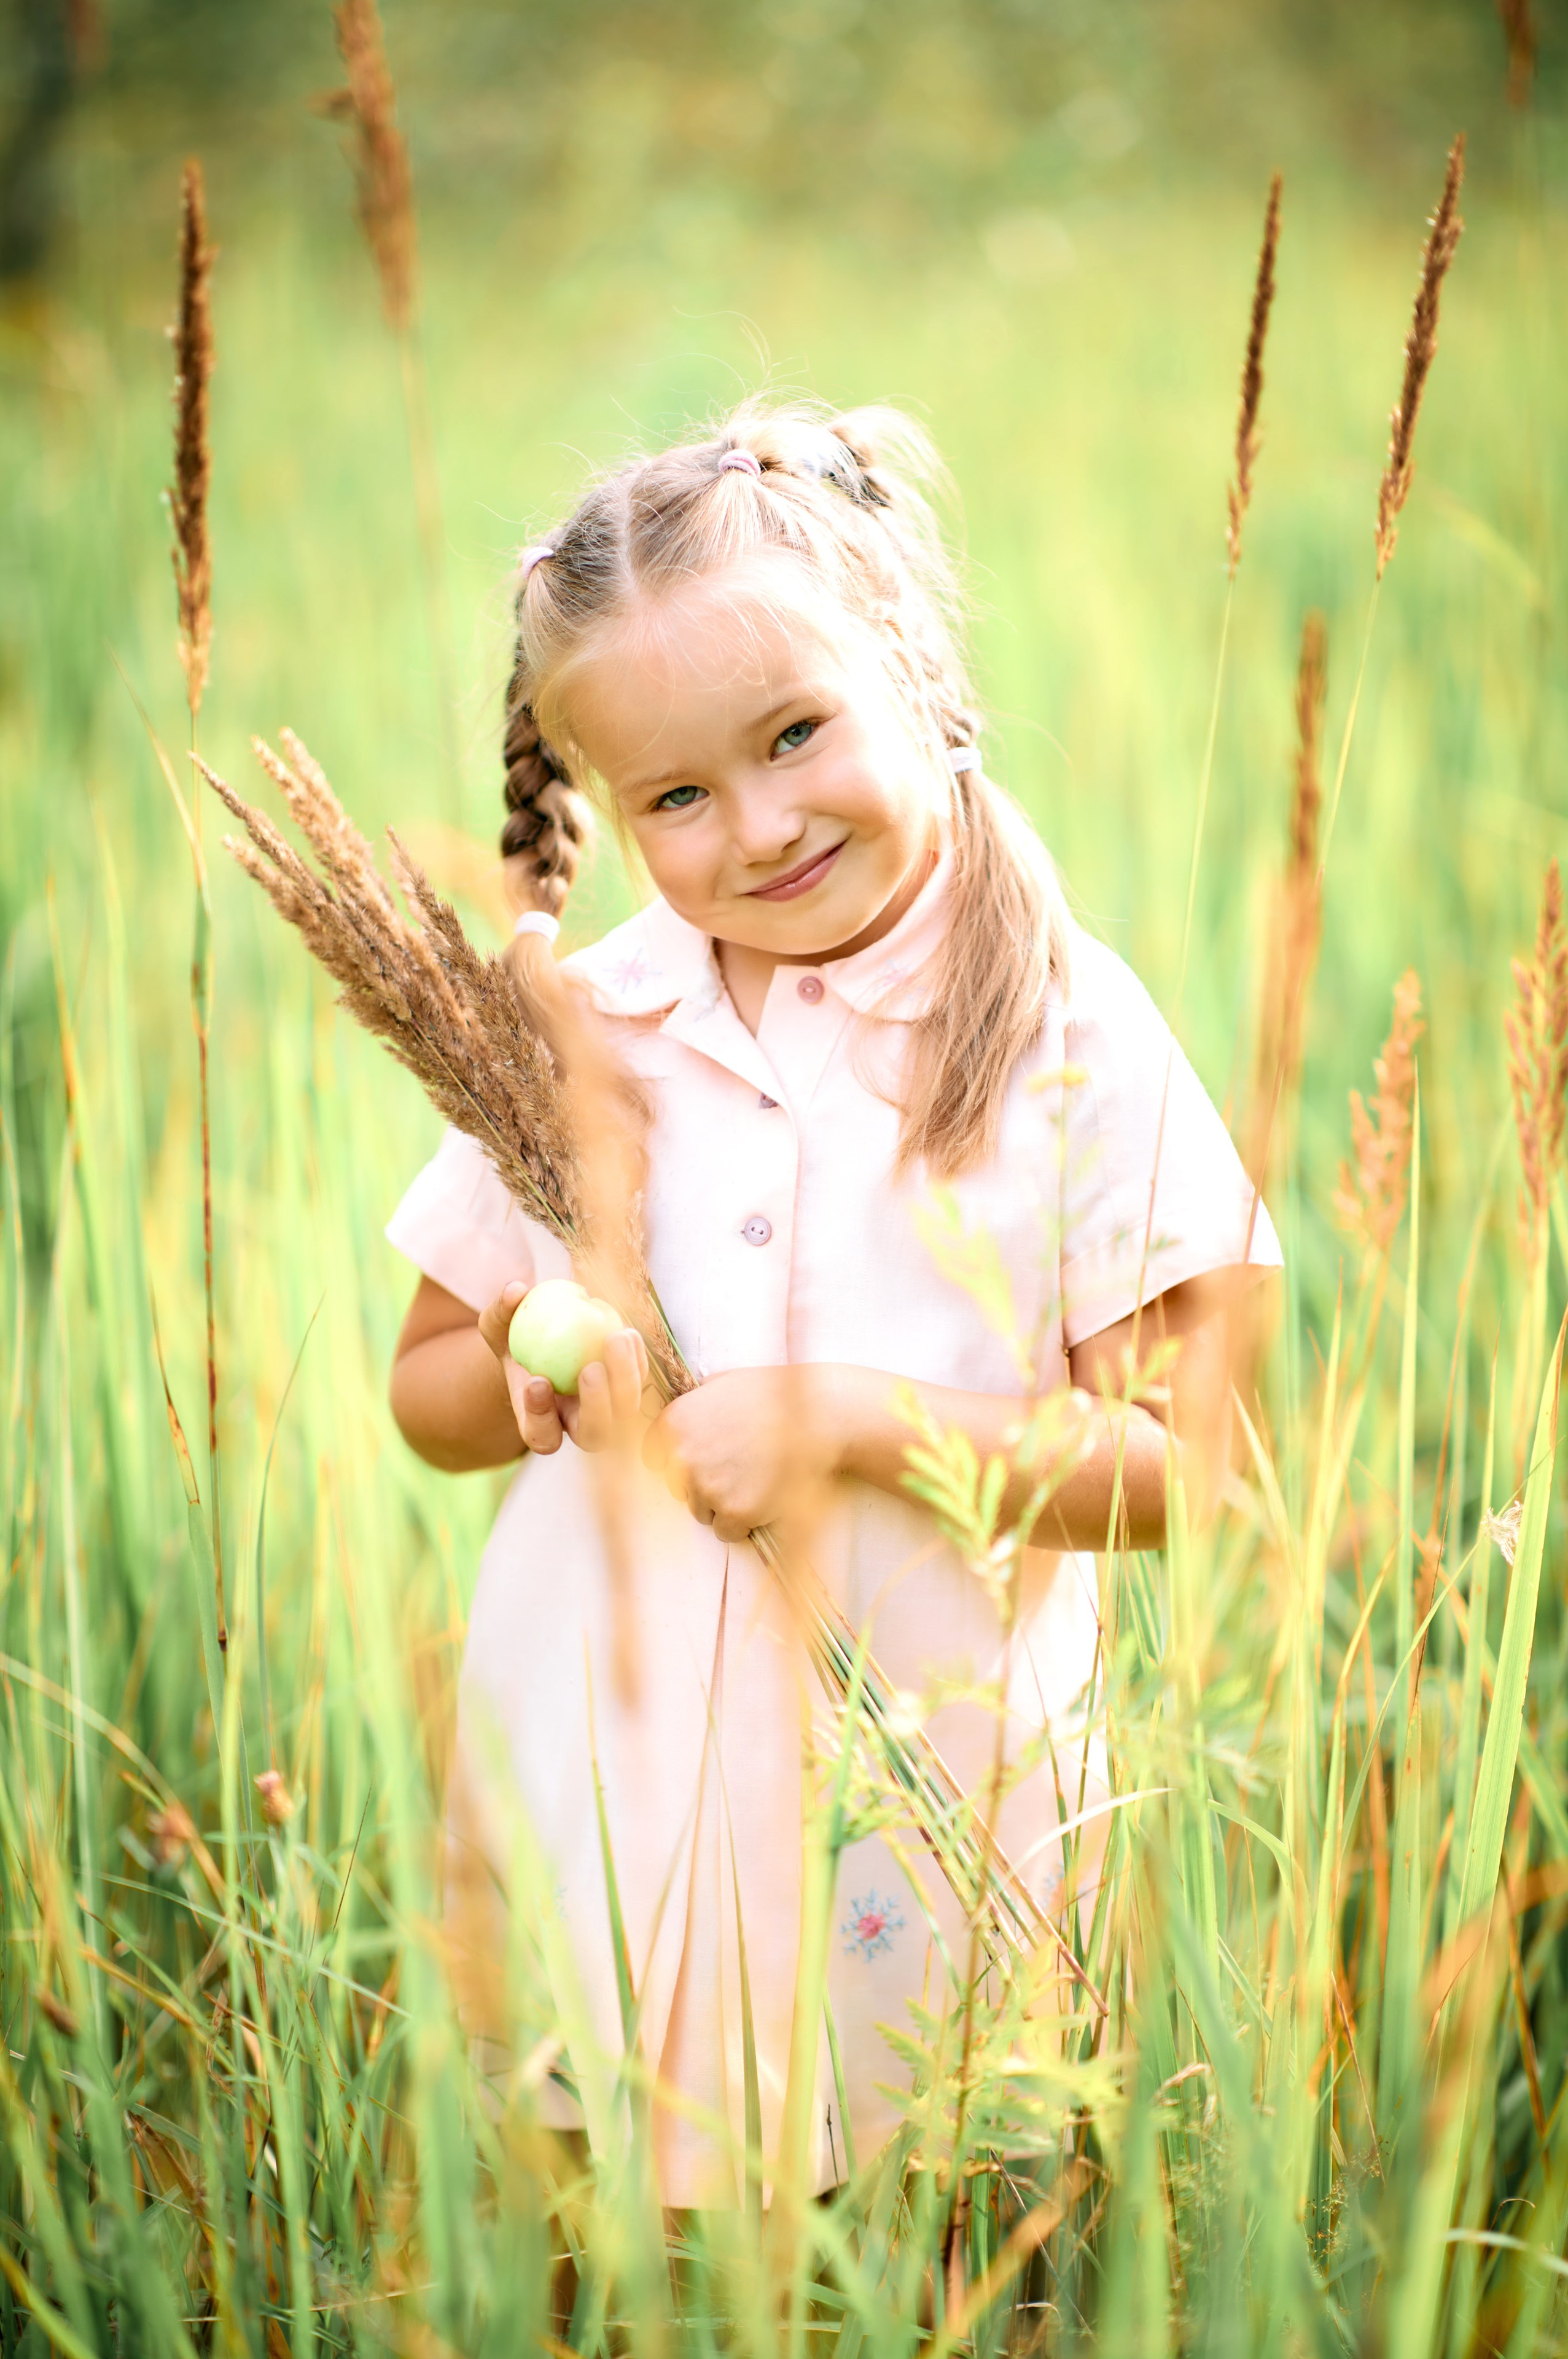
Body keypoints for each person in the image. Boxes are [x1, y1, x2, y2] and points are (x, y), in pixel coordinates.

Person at [384, 400, 1280, 2207]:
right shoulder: (584, 1026)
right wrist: (528, 1360)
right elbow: (423, 1394)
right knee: (615, 2242)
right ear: (608, 805)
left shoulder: (1064, 1038)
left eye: (795, 733)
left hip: (937, 1825)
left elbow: (1196, 1475)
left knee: (930, 2236)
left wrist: (849, 1423)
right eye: (677, 796)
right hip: (613, 1797)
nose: (761, 825)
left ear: (921, 677)